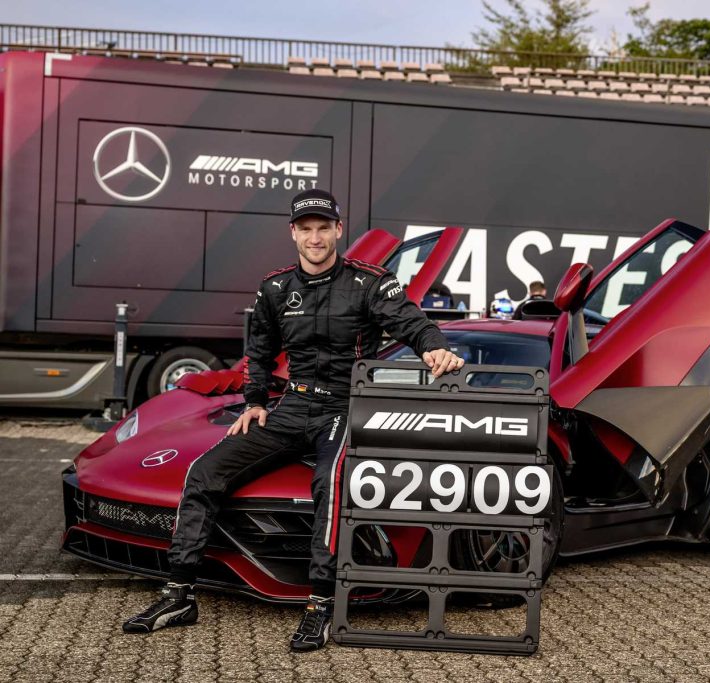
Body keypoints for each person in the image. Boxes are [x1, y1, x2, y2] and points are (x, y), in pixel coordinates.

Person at [122, 189, 464, 651]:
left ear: (339, 230)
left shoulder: (371, 282)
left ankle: (320, 604)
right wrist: (256, 401)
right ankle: (179, 593)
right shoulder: (275, 287)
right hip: (292, 407)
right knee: (204, 472)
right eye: (306, 229)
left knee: (329, 482)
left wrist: (433, 346)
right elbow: (258, 350)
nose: (316, 237)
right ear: (293, 233)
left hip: (345, 408)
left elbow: (410, 322)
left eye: (324, 227)